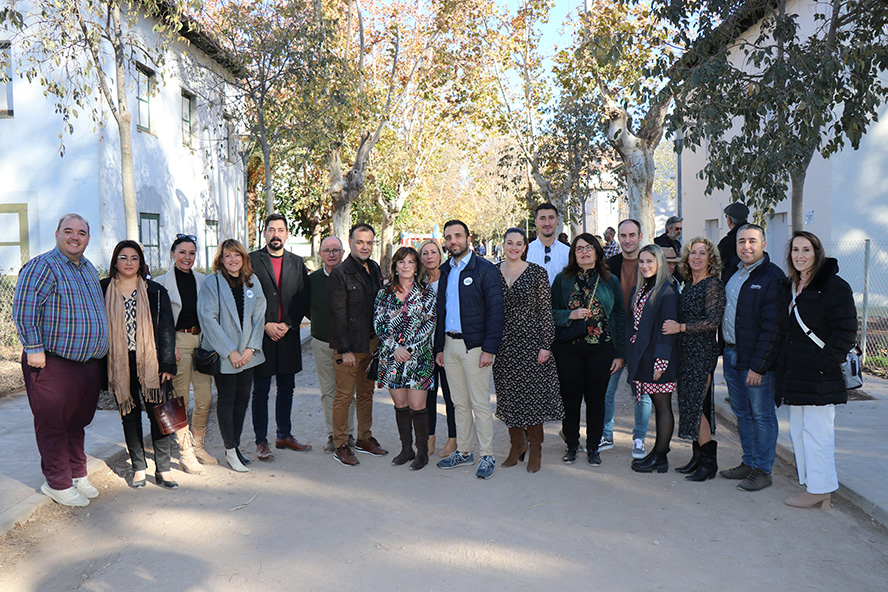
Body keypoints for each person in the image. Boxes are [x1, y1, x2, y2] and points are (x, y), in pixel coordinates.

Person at [13, 214, 109, 506]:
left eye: (81, 232)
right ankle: (57, 482)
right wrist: (34, 347)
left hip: (87, 364)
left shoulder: (88, 269)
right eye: (68, 231)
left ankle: (77, 473)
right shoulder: (43, 266)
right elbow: (24, 309)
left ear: (88, 239)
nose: (75, 237)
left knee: (76, 423)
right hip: (53, 363)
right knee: (53, 424)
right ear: (57, 234)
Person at [778, 231, 857, 509]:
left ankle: (821, 489)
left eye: (806, 250)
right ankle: (811, 484)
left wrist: (823, 364)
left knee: (818, 434)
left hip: (819, 376)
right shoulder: (793, 284)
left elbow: (846, 331)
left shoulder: (834, 286)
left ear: (817, 253)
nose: (800, 255)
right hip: (796, 375)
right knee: (799, 432)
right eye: (795, 250)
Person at [101, 241, 178, 489]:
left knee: (159, 415)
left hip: (151, 362)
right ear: (115, 261)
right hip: (120, 363)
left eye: (134, 258)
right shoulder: (102, 289)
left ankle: (164, 470)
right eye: (123, 258)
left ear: (140, 263)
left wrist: (167, 363)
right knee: (129, 416)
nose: (129, 263)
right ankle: (139, 468)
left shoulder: (155, 292)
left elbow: (167, 330)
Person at [434, 219, 504, 479]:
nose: (453, 241)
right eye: (449, 237)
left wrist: (489, 348)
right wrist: (439, 347)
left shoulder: (485, 269)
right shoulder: (445, 271)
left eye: (457, 236)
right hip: (449, 346)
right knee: (458, 403)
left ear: (468, 238)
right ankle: (464, 451)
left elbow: (496, 312)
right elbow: (442, 312)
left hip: (475, 347)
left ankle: (486, 455)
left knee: (480, 404)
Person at [720, 224, 785, 491]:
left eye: (752, 241)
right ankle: (748, 462)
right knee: (742, 413)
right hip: (731, 354)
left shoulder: (773, 277)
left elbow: (774, 329)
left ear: (764, 244)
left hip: (755, 361)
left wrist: (759, 367)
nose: (746, 246)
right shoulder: (733, 274)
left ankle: (763, 469)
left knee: (762, 416)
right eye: (742, 241)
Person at [493, 228, 564, 473]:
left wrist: (546, 345)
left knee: (532, 399)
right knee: (508, 396)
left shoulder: (537, 273)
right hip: (503, 345)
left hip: (532, 343)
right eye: (509, 243)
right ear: (503, 245)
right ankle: (516, 446)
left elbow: (546, 312)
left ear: (525, 247)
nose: (514, 247)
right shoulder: (493, 273)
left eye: (519, 243)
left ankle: (535, 449)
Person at [552, 233, 625, 466]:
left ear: (597, 251)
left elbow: (620, 316)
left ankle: (594, 447)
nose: (584, 252)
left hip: (601, 349)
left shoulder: (610, 280)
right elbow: (550, 313)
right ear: (573, 253)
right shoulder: (562, 279)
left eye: (588, 248)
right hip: (568, 350)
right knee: (570, 400)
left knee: (596, 400)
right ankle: (572, 445)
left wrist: (620, 353)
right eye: (579, 249)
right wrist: (570, 314)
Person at [198, 239, 267, 473]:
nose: (233, 260)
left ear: (243, 258)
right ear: (221, 259)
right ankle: (229, 450)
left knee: (242, 401)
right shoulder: (212, 283)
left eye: (237, 255)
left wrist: (250, 349)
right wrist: (231, 351)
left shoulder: (252, 282)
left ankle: (235, 447)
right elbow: (208, 319)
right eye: (227, 256)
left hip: (248, 356)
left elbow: (259, 316)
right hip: (226, 355)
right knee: (226, 401)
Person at [662, 238, 726, 481]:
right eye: (693, 253)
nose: (697, 257)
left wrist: (681, 327)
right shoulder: (689, 283)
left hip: (701, 352)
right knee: (692, 405)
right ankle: (698, 458)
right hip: (685, 352)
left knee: (695, 406)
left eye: (702, 253)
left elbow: (712, 322)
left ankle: (709, 464)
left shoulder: (713, 285)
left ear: (711, 258)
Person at [249, 214, 311, 461]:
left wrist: (286, 324)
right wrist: (265, 324)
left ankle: (284, 435)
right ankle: (261, 441)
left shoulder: (297, 263)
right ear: (264, 233)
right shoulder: (251, 261)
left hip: (288, 335)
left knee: (287, 388)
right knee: (261, 390)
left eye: (281, 230)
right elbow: (247, 297)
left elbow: (302, 298)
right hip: (261, 336)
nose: (276, 234)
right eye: (271, 229)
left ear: (287, 234)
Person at [328, 223, 388, 466]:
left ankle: (364, 438)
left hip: (372, 343)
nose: (365, 246)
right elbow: (338, 315)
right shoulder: (340, 273)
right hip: (349, 347)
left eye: (369, 242)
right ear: (351, 243)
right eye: (360, 242)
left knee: (366, 394)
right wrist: (345, 349)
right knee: (343, 396)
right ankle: (341, 444)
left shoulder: (374, 268)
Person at [155, 234, 215, 472]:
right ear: (172, 254)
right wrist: (169, 347)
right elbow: (159, 320)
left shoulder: (203, 280)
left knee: (205, 398)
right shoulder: (162, 283)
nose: (187, 257)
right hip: (177, 342)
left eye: (191, 253)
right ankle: (185, 452)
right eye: (182, 252)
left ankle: (198, 445)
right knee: (180, 400)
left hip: (201, 342)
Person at [374, 246, 437, 470]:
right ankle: (406, 449)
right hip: (392, 358)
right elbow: (379, 324)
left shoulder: (427, 292)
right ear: (395, 266)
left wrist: (408, 349)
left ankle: (422, 452)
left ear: (416, 266)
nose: (406, 266)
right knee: (400, 405)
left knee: (417, 406)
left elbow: (429, 323)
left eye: (411, 262)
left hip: (418, 358)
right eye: (402, 262)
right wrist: (395, 348)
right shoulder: (385, 292)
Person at [624, 245, 679, 473]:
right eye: (642, 261)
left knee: (663, 406)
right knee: (657, 406)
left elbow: (667, 328)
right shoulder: (641, 288)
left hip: (658, 359)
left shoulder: (666, 290)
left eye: (650, 261)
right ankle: (657, 455)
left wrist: (661, 361)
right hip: (643, 356)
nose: (645, 266)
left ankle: (660, 456)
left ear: (660, 263)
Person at [603, 219, 651, 459]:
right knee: (606, 390)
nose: (627, 239)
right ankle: (606, 434)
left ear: (640, 236)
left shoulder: (650, 262)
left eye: (632, 235)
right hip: (614, 336)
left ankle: (639, 439)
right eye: (623, 235)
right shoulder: (609, 264)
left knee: (641, 392)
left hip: (643, 338)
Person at [308, 237, 356, 453]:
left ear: (343, 252)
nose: (331, 254)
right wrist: (320, 322)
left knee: (347, 391)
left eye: (336, 250)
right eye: (327, 250)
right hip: (321, 341)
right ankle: (332, 434)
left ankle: (349, 432)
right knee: (328, 391)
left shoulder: (352, 275)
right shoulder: (312, 280)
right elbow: (307, 308)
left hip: (348, 344)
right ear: (320, 254)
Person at [419, 238, 457, 458]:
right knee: (428, 395)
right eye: (425, 253)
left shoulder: (450, 278)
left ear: (440, 255)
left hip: (447, 345)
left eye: (433, 252)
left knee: (451, 395)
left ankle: (453, 438)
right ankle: (429, 437)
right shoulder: (417, 281)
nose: (430, 256)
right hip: (424, 347)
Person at [526, 203, 571, 285]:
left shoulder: (568, 253)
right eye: (542, 218)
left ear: (557, 220)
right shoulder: (526, 252)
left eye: (551, 218)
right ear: (536, 222)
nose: (547, 223)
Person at [717, 202, 749, 279]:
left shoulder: (726, 243)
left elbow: (717, 263)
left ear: (729, 220)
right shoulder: (757, 235)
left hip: (731, 281)